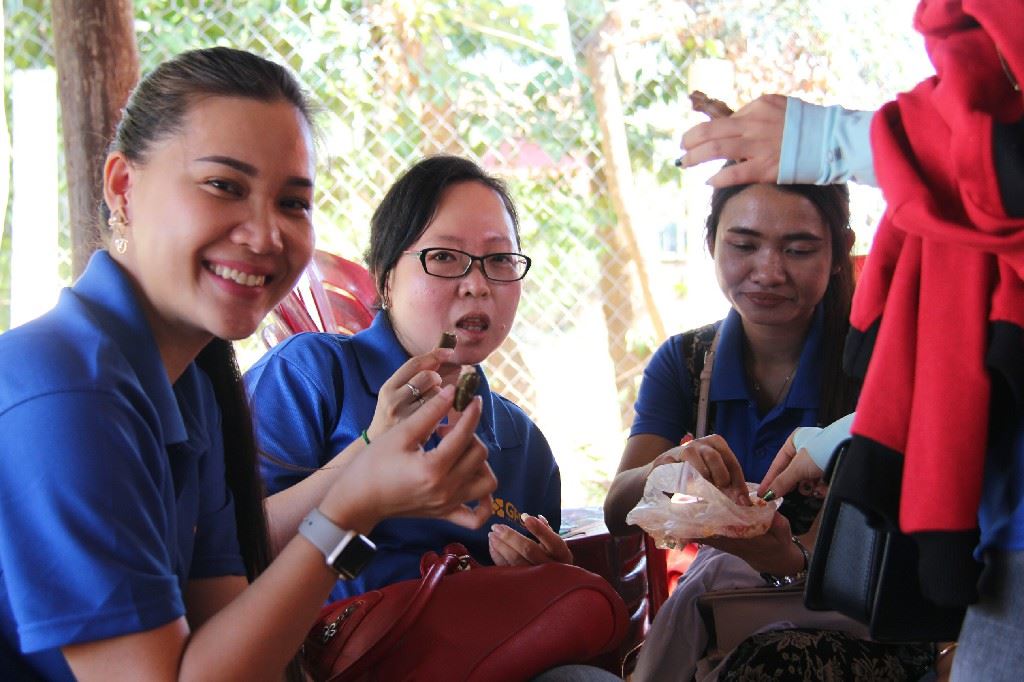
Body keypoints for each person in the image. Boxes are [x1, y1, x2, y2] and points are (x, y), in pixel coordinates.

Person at [0, 48, 496, 680]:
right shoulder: (68, 395)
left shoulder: (190, 385)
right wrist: (354, 509)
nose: (265, 236)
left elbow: (228, 640)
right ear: (123, 187)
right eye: (224, 187)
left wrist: (365, 491)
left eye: (292, 203)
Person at [245, 154, 572, 603]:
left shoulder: (525, 445)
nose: (477, 284)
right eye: (444, 257)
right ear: (385, 279)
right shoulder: (309, 374)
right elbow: (230, 552)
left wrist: (542, 579)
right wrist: (369, 449)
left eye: (499, 259)